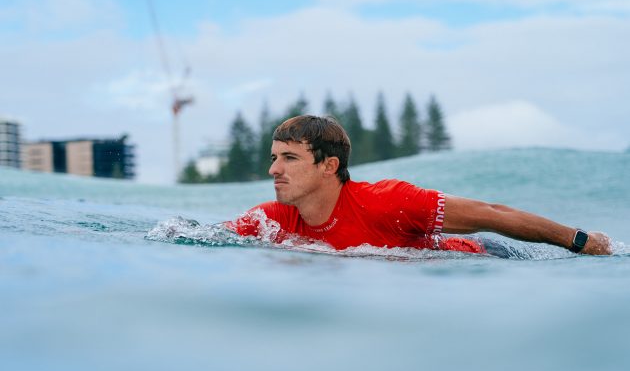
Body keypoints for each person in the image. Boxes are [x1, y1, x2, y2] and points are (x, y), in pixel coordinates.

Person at [228, 115, 612, 256]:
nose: (274, 170)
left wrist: (578, 240)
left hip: (479, 256)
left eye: (289, 158)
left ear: (329, 166)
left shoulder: (389, 201)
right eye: (274, 158)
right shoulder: (269, 220)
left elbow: (492, 215)